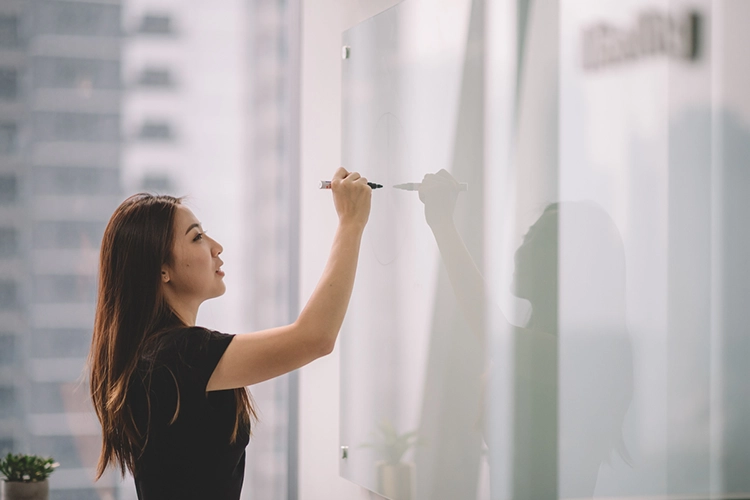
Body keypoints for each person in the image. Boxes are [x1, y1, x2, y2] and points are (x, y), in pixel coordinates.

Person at [88, 168, 372, 499]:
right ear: (161, 270)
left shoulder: (158, 355)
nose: (216, 247)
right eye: (196, 237)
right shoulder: (178, 355)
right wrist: (351, 224)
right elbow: (314, 338)